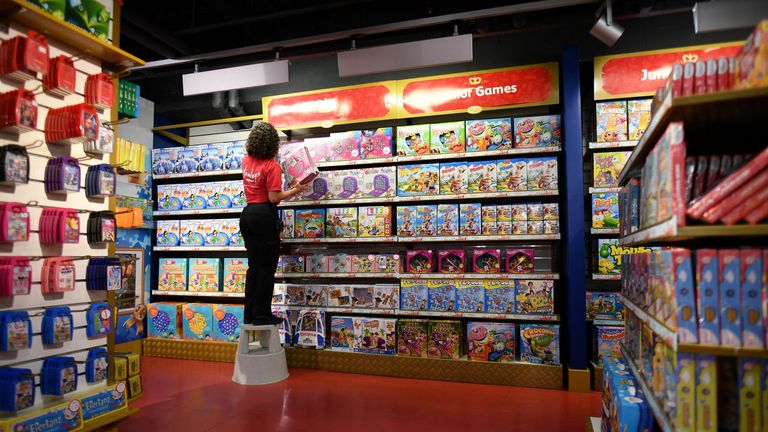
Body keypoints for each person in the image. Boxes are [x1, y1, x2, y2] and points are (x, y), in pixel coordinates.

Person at [240, 122, 308, 325]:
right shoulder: (272, 166)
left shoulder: (246, 161)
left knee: (254, 267)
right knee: (267, 268)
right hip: (264, 216)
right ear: (273, 144)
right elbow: (274, 197)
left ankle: (250, 314)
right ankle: (262, 315)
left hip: (248, 214)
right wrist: (296, 190)